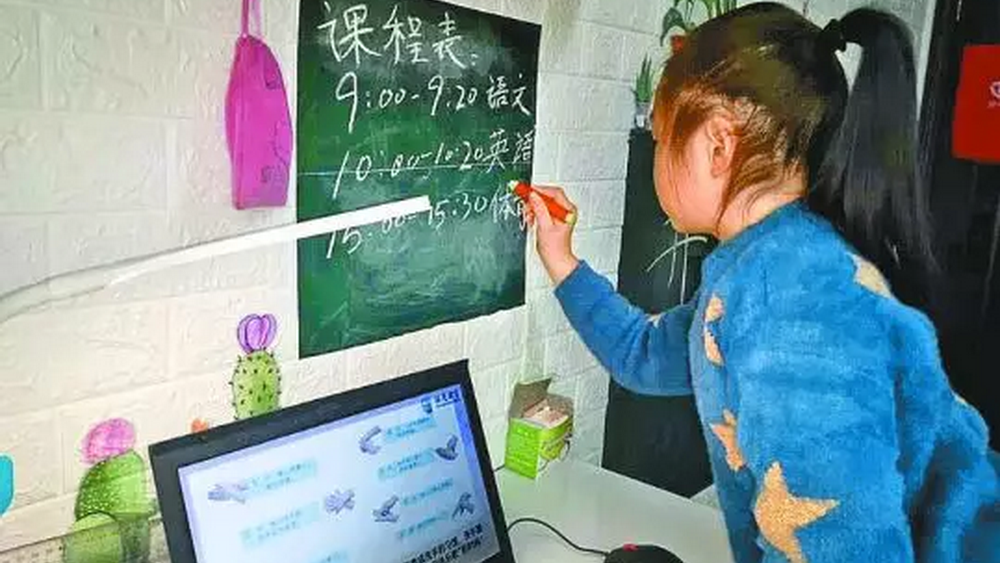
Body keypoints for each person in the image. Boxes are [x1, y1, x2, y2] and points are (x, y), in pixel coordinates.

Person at [524, 3, 1000, 562]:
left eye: (661, 138)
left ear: (718, 146)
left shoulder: (788, 302)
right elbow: (644, 355)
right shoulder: (762, 268)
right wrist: (560, 258)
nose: (657, 157)